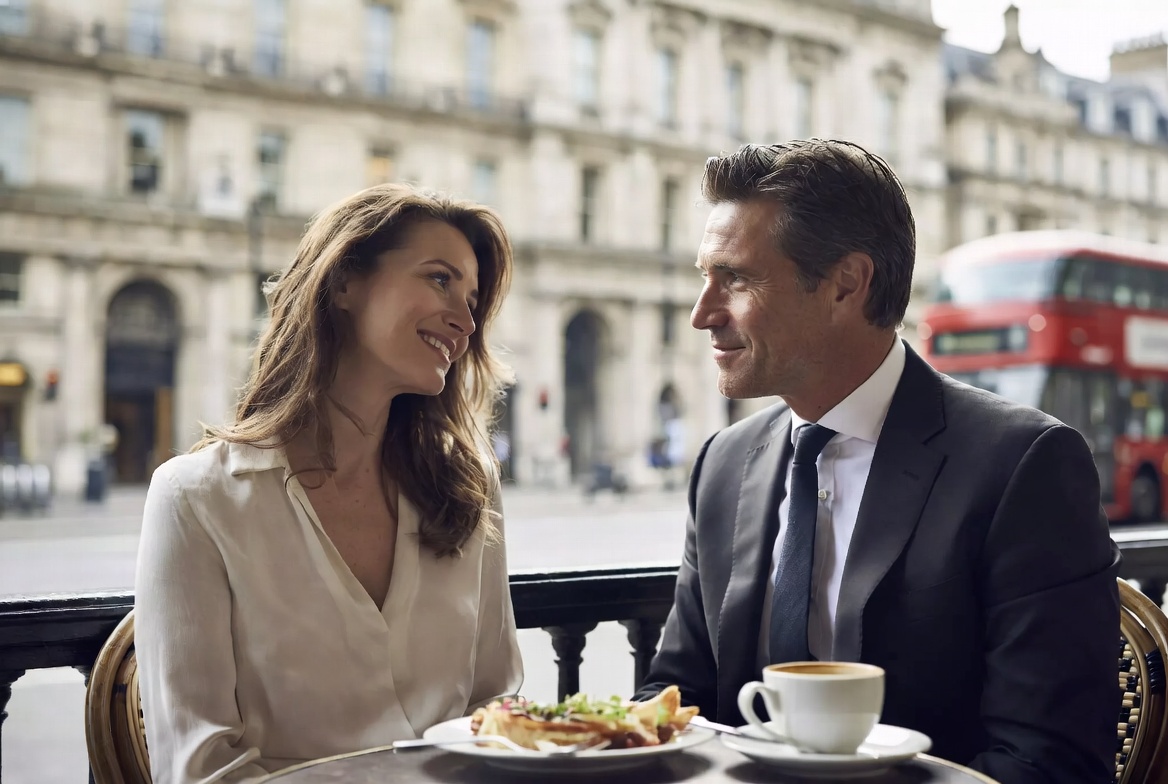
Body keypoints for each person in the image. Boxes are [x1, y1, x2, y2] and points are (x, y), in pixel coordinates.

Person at [634, 140, 1120, 784]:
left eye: (738, 279)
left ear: (846, 284)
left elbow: (1049, 762)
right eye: (705, 277)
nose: (702, 314)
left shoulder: (1025, 466)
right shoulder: (722, 464)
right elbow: (673, 700)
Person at [135, 183, 523, 783]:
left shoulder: (469, 487)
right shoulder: (196, 499)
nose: (465, 322)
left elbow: (495, 708)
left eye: (472, 301)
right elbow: (202, 769)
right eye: (439, 279)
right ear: (343, 282)